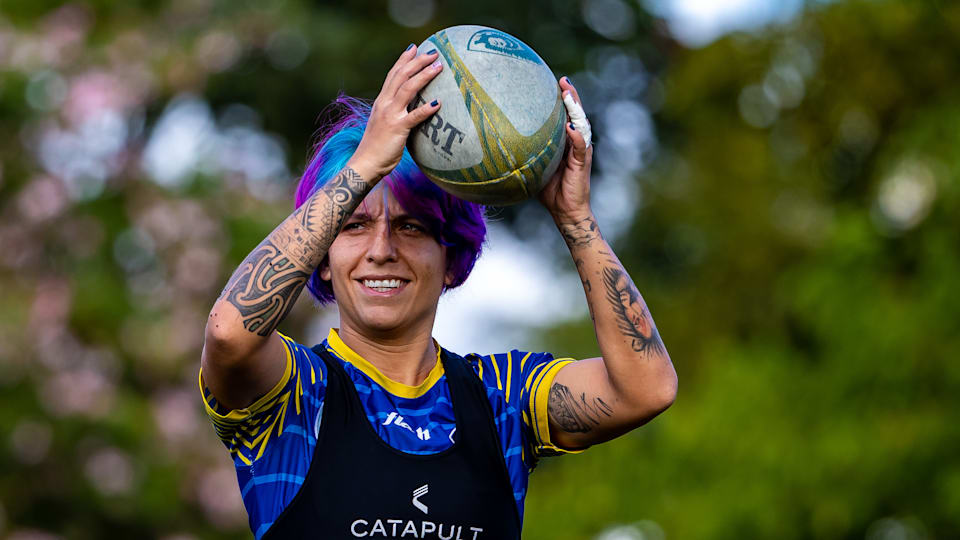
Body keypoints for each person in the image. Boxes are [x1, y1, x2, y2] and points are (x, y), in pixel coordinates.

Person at [199, 44, 677, 539]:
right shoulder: (295, 392)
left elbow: (646, 389)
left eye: (412, 227)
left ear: (451, 259)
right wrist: (363, 168)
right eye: (356, 226)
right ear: (321, 259)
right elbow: (230, 334)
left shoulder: (504, 397)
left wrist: (576, 219)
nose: (381, 249)